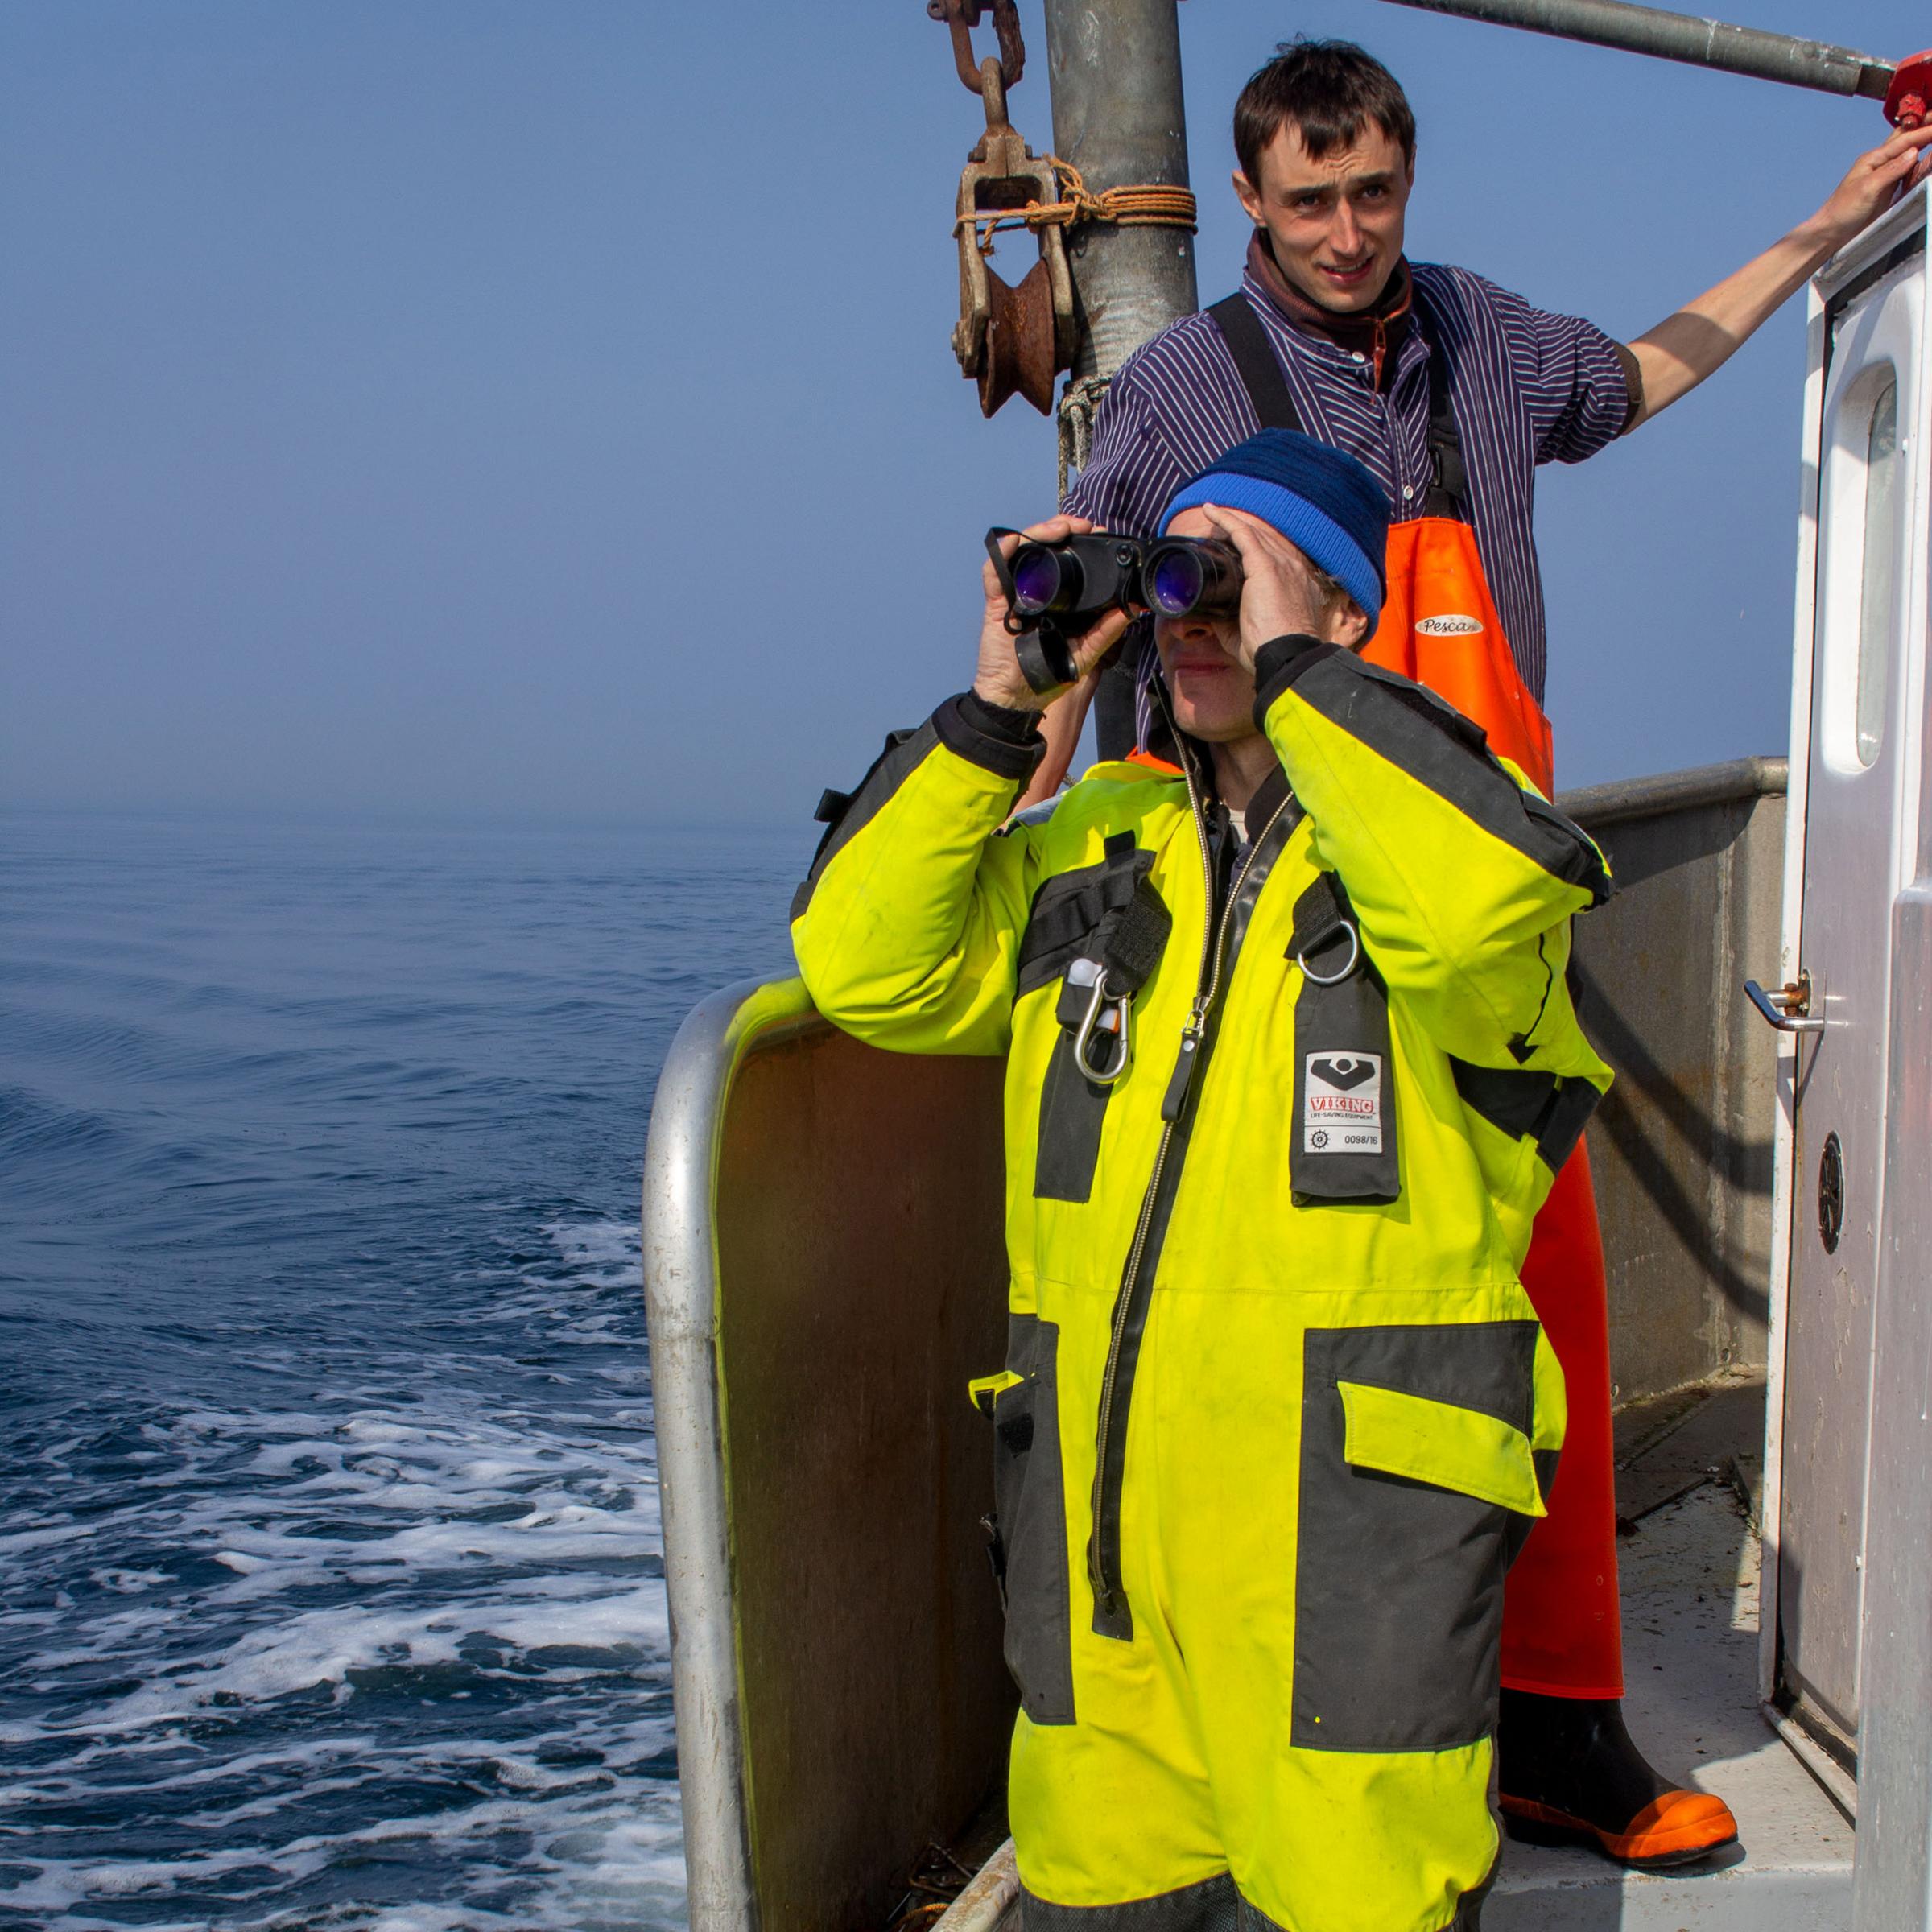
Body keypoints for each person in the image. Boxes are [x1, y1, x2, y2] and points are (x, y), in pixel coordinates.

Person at [1024, 38, 1932, 1867]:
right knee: (1313, 1364)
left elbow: (1648, 373)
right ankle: (1224, 1739)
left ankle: (1563, 1727)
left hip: (1481, 909)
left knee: (1549, 1325)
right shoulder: (1184, 384)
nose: (1347, 235)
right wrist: (1010, 767)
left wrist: (1824, 229)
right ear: (1252, 198)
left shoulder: (1489, 339)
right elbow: (1098, 610)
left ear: (1406, 183)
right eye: (1306, 203)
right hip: (1282, 938)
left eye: (1374, 196)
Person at [791, 430, 1613, 1930]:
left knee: (1360, 1897)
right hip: (1103, 1553)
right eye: (1177, 577)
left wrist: (1306, 681)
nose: (1193, 615)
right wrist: (998, 707)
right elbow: (863, 966)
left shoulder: (1450, 829)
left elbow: (1487, 908)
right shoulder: (1098, 853)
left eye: (1234, 580)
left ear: (1344, 614)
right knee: (1102, 1891)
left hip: (1353, 1555)